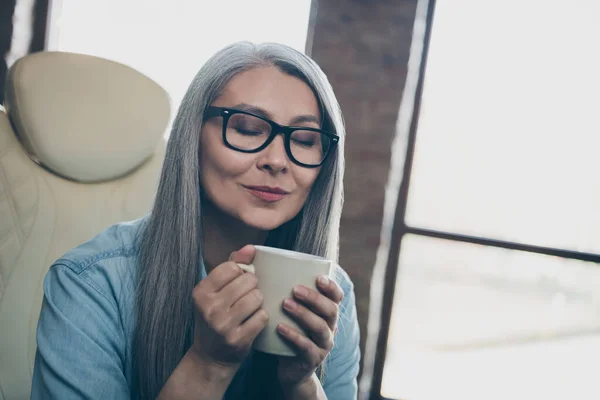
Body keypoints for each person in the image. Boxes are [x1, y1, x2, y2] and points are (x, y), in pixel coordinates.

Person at [31, 41, 360, 400]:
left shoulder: (330, 294)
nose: (277, 160)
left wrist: (302, 384)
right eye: (248, 129)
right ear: (193, 137)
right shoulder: (90, 284)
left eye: (305, 139)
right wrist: (208, 364)